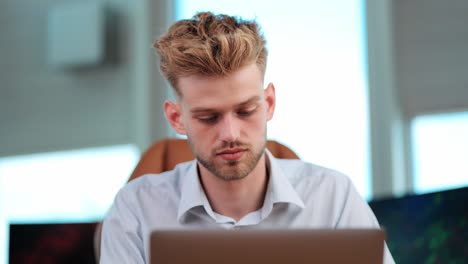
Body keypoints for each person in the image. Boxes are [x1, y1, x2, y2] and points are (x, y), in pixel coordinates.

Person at [100, 11, 394, 263]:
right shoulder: (135, 210)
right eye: (208, 117)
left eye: (245, 111)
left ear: (268, 104)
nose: (230, 134)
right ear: (177, 118)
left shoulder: (334, 197)